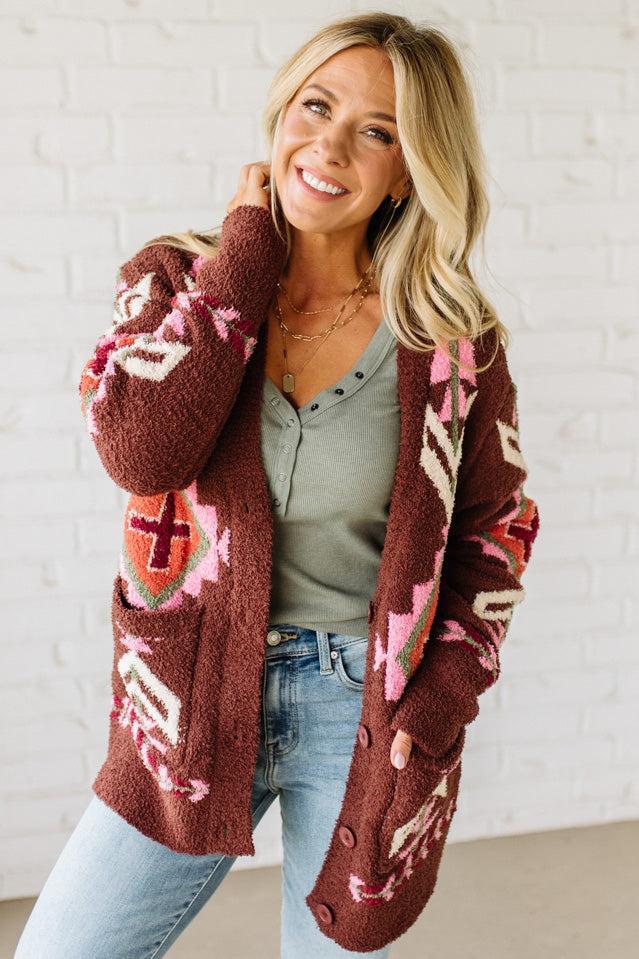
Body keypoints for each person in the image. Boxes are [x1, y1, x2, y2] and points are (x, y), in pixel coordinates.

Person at [14, 11, 540, 959]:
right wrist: (245, 257)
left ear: (410, 165)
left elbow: (496, 528)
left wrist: (440, 697)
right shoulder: (179, 278)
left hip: (362, 713)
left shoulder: (450, 338)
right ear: (280, 113)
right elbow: (140, 450)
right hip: (188, 696)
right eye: (316, 105)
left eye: (377, 130)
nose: (330, 145)